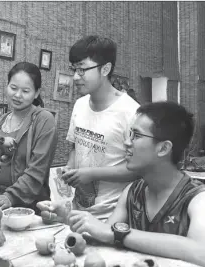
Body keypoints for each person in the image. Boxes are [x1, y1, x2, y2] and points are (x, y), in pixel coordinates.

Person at [41, 102, 205, 267]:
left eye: (136, 135)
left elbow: (202, 252)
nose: (127, 142)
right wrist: (66, 217)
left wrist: (119, 234)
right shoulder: (133, 192)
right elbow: (105, 235)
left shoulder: (200, 198)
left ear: (164, 148)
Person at [60, 35, 140, 220]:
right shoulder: (79, 105)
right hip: (78, 210)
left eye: (82, 70)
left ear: (105, 69)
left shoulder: (131, 112)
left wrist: (91, 174)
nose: (75, 77)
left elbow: (138, 169)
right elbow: (75, 147)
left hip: (114, 216)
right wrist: (70, 167)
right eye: (73, 69)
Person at [0, 62, 57, 214]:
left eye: (25, 91)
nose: (17, 95)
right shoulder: (2, 120)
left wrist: (10, 197)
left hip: (29, 206)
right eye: (13, 88)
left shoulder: (44, 120)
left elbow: (37, 171)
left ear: (36, 93)